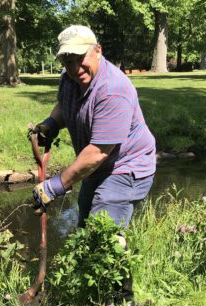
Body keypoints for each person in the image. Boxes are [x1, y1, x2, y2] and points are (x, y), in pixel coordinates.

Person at [30, 25, 156, 232]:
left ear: (98, 50)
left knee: (102, 235)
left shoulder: (113, 90)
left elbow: (98, 152)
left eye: (81, 59)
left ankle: (112, 262)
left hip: (125, 167)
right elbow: (65, 105)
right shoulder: (70, 78)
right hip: (97, 167)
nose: (75, 68)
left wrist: (55, 186)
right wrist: (51, 124)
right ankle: (85, 262)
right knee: (84, 226)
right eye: (68, 62)